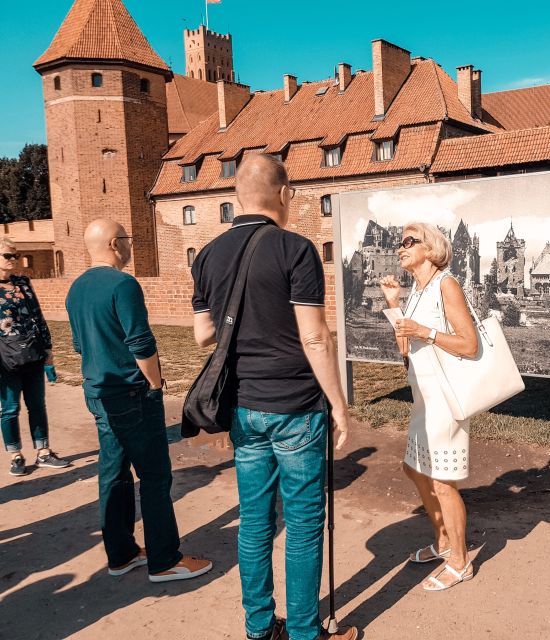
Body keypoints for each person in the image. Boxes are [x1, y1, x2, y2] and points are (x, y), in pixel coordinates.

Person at [191, 155, 357, 640]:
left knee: (255, 523)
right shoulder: (296, 249)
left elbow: (204, 335)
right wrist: (341, 405)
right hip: (296, 406)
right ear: (284, 193)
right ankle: (306, 631)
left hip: (243, 406)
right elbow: (315, 338)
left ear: (235, 198)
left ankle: (260, 627)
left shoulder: (207, 255)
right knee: (304, 525)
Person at [66, 219, 212, 582]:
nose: (132, 246)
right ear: (116, 244)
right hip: (132, 392)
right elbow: (141, 343)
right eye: (128, 240)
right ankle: (164, 560)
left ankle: (122, 553)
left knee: (113, 473)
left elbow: (78, 346)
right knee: (155, 476)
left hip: (97, 392)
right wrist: (156, 384)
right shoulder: (123, 284)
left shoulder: (76, 289)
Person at [379, 222, 479, 591]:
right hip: (424, 395)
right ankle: (443, 542)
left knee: (441, 480)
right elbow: (406, 350)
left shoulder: (445, 284)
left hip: (445, 396)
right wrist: (394, 306)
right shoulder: (419, 291)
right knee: (414, 469)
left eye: (409, 241)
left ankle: (460, 560)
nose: (400, 247)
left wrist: (425, 332)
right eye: (399, 242)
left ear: (431, 248)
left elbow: (469, 345)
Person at [0, 239, 69, 476]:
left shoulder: (23, 283)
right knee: (9, 409)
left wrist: (48, 350)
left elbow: (38, 317)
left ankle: (43, 452)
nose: (13, 260)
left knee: (37, 405)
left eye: (15, 256)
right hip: (5, 361)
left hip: (32, 353)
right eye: (8, 255)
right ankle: (15, 455)